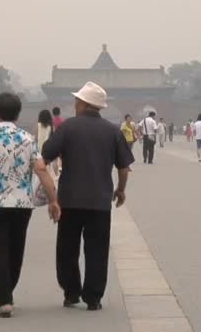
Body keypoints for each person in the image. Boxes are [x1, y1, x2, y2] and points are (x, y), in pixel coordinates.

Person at [0, 93, 60, 318]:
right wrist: (53, 200)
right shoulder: (27, 139)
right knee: (16, 249)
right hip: (21, 204)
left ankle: (3, 299)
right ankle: (8, 291)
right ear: (17, 114)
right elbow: (41, 169)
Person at [41, 81, 134, 311]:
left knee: (67, 248)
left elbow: (46, 155)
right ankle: (93, 298)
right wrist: (121, 190)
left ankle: (71, 292)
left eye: (77, 100)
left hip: (70, 200)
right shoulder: (113, 131)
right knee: (97, 250)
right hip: (100, 201)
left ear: (84, 104)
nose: (74, 104)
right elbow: (123, 168)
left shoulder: (67, 128)